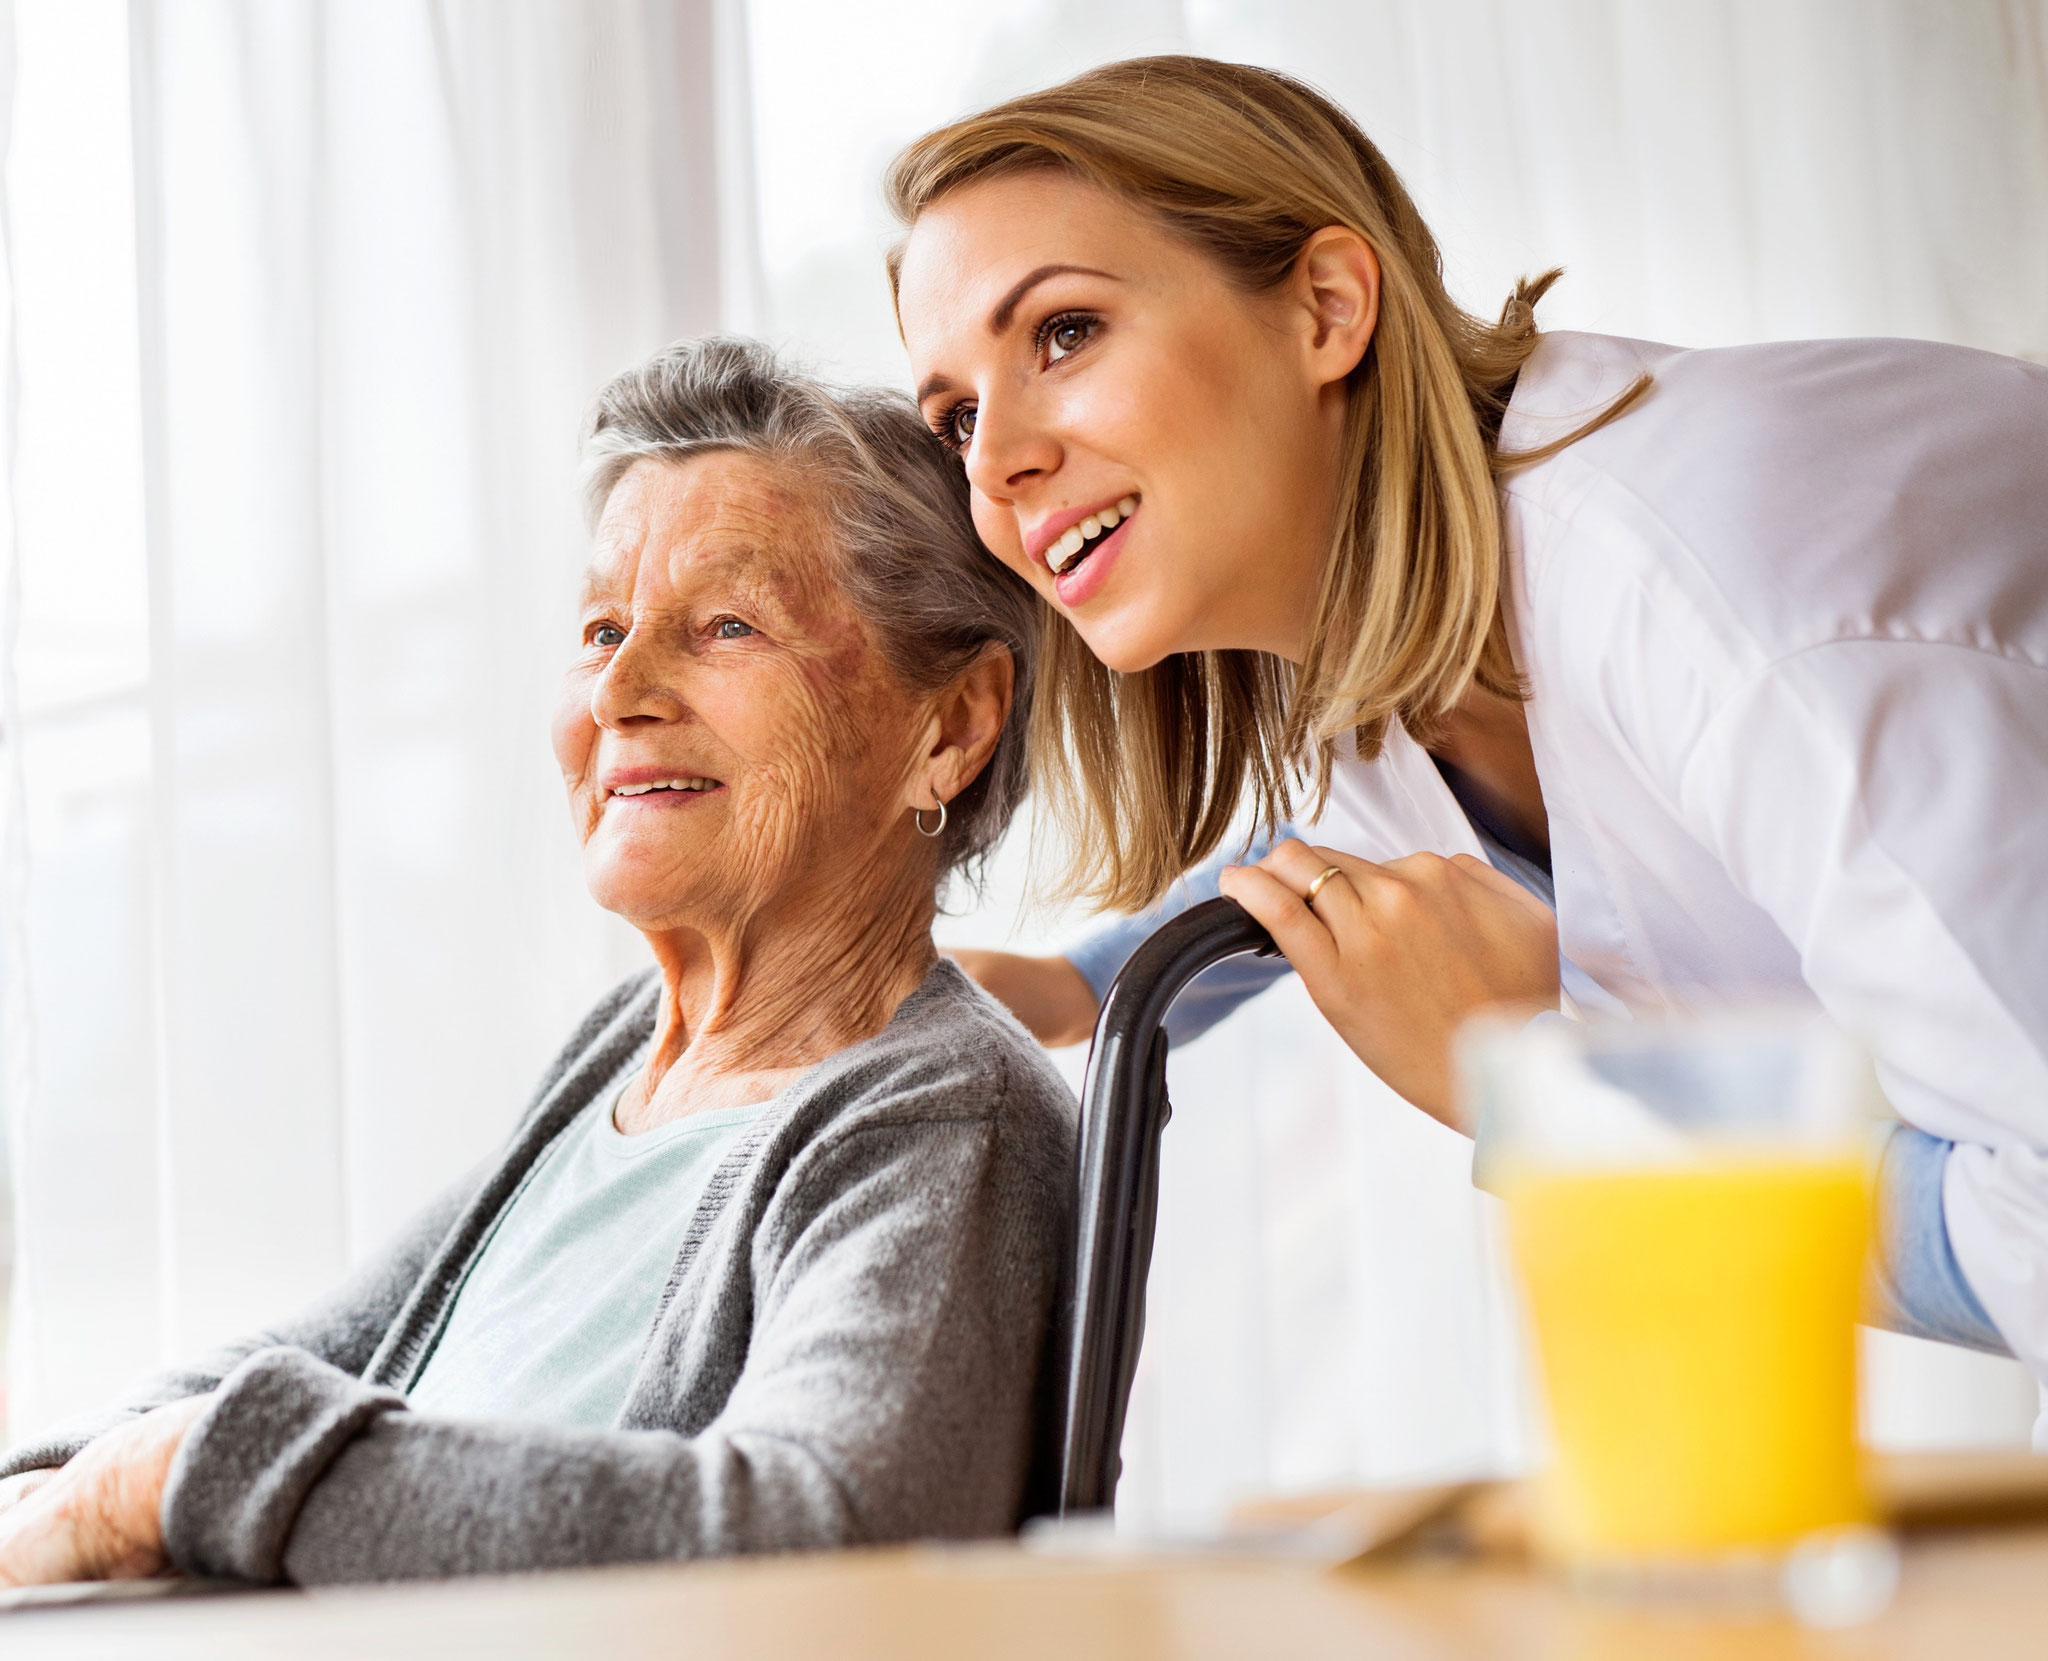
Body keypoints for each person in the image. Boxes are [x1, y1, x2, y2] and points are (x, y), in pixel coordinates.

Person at [891, 57, 2048, 1409]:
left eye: (1065, 332)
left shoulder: (1716, 595)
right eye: (956, 415)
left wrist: (1555, 1092)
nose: (994, 462)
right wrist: (1083, 984)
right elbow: (1344, 838)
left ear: (1327, 307)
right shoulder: (1413, 658)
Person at [0, 338, 1074, 1587]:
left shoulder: (938, 1116)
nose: (619, 688)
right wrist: (67, 1475)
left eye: (726, 623)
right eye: (603, 625)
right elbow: (331, 1350)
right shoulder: (630, 1053)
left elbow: (829, 1519)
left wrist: (173, 1480)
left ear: (947, 727)